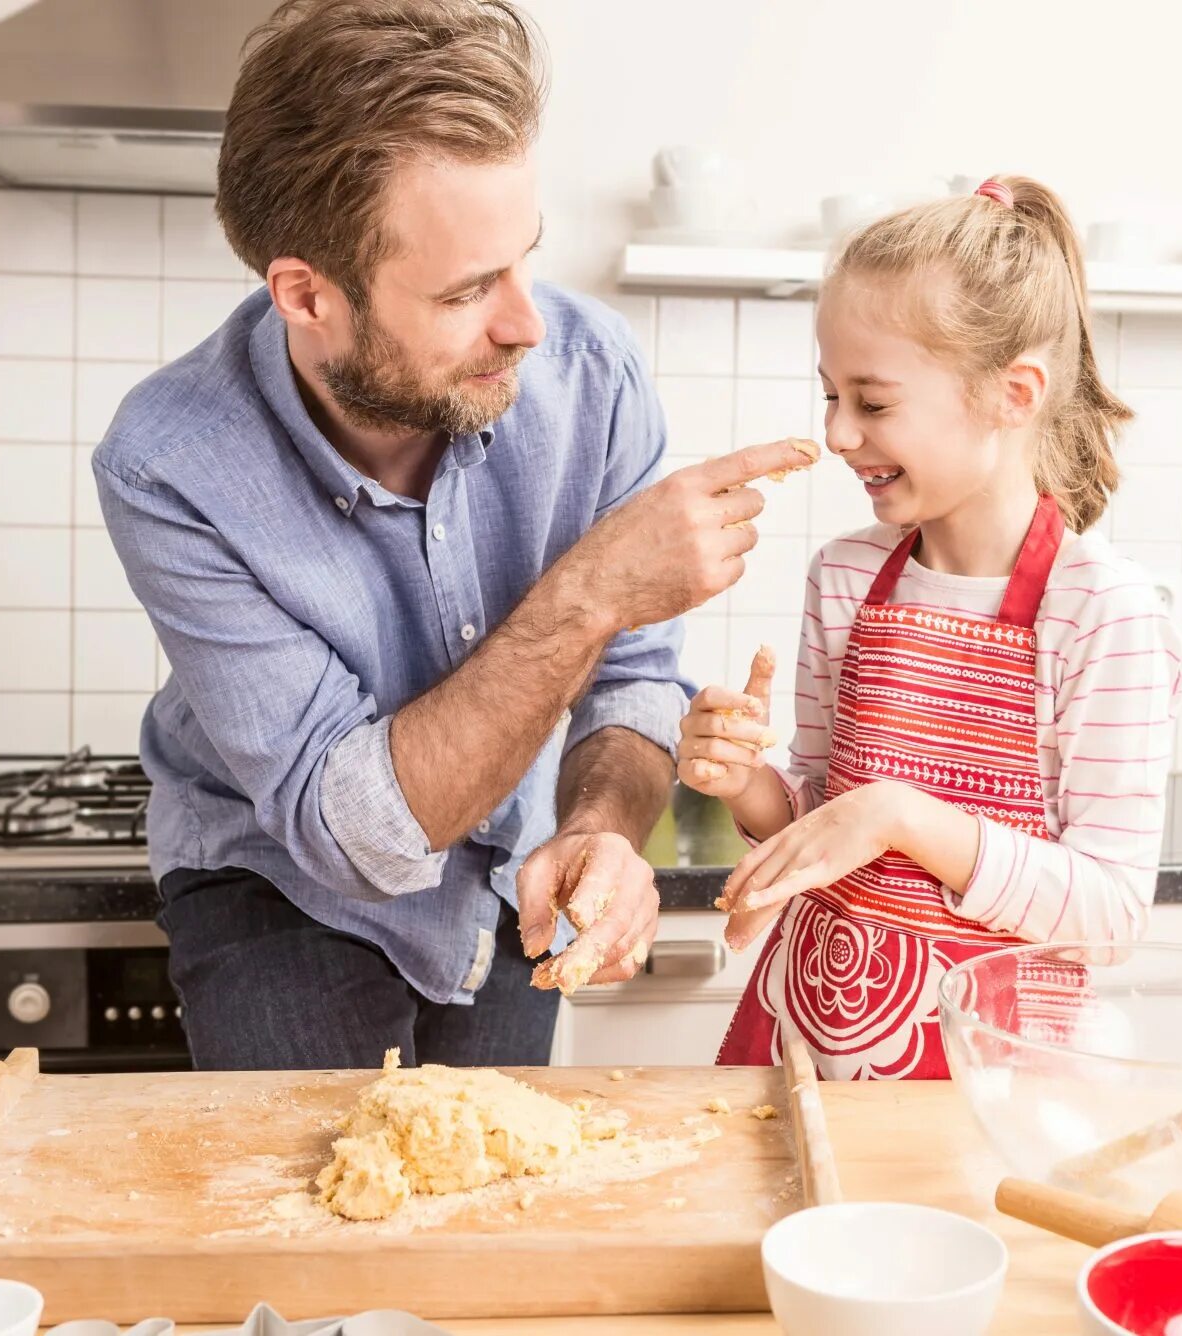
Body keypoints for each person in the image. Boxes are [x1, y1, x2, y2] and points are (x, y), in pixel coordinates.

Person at [93, 0, 809, 1071]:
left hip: (505, 868)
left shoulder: (588, 374)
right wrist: (590, 591)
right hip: (281, 880)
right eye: (468, 290)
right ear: (307, 296)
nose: (526, 321)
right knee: (316, 1218)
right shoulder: (169, 466)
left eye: (522, 259)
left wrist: (598, 830)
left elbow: (633, 683)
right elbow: (356, 835)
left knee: (490, 1213)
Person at [681, 177, 1182, 1079]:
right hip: (810, 1045)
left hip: (993, 1084)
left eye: (873, 403)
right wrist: (746, 785)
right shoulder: (842, 577)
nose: (837, 433)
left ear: (1014, 394)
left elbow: (1108, 915)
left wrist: (904, 818)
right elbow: (818, 814)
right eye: (830, 395)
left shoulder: (1104, 614)